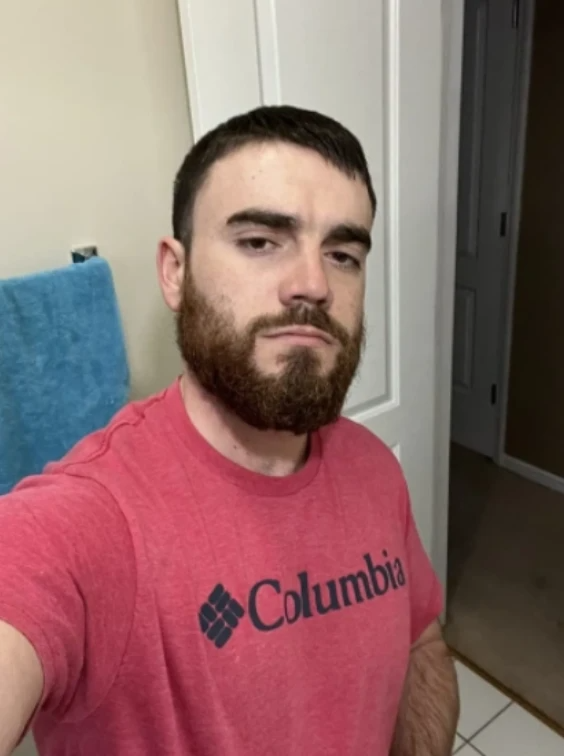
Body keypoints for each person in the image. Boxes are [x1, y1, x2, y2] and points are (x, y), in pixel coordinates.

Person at [0, 105, 459, 756]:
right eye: (260, 241)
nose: (314, 285)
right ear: (175, 272)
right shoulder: (85, 523)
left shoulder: (374, 466)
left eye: (343, 254)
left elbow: (422, 642)